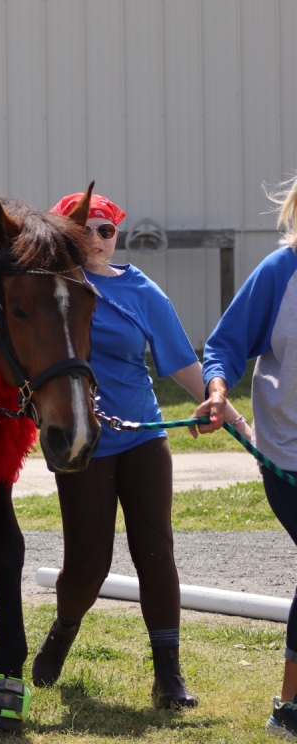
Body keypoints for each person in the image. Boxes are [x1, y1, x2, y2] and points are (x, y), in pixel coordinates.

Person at [33, 191, 248, 709]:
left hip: (144, 436)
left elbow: (182, 362)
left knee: (156, 551)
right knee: (88, 565)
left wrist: (232, 417)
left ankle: (168, 675)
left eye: (107, 230)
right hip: (85, 442)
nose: (97, 239)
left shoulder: (141, 290)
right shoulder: (53, 289)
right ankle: (64, 629)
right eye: (85, 229)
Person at [199, 174, 297, 740]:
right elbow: (225, 344)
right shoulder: (281, 271)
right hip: (290, 455)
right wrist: (217, 391)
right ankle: (291, 707)